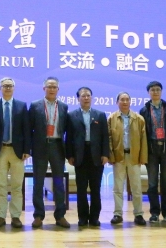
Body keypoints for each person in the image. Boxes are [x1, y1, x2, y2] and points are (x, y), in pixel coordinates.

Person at [0, 77, 31, 229]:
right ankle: (0, 216)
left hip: (17, 151)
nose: (7, 88)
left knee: (17, 186)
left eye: (10, 86)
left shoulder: (21, 106)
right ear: (0, 88)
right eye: (5, 86)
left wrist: (27, 150)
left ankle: (16, 216)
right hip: (0, 151)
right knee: (1, 185)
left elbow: (26, 129)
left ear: (14, 88)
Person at [29, 76, 70, 228]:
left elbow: (66, 129)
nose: (52, 89)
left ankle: (60, 216)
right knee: (38, 182)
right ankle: (38, 215)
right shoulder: (35, 105)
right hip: (40, 146)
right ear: (44, 88)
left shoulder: (64, 106)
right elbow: (29, 128)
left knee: (59, 182)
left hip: (57, 146)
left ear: (58, 89)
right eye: (49, 86)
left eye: (54, 87)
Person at [65, 87, 109, 227]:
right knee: (81, 189)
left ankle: (94, 217)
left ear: (92, 97)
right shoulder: (71, 115)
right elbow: (69, 137)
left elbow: (105, 136)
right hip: (80, 156)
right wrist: (69, 155)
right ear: (78, 98)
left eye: (88, 95)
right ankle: (83, 217)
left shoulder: (100, 115)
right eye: (83, 96)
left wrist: (105, 154)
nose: (86, 98)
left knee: (95, 189)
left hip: (96, 156)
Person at [140, 80, 166, 224]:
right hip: (151, 150)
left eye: (157, 89)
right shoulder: (144, 110)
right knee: (152, 184)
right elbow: (142, 134)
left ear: (161, 92)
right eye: (152, 90)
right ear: (148, 92)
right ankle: (154, 213)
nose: (155, 92)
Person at [108, 91, 147, 226]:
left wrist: (143, 157)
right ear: (117, 102)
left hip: (134, 157)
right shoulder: (112, 118)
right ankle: (118, 214)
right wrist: (111, 156)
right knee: (118, 187)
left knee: (136, 187)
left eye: (127, 100)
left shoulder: (139, 118)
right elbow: (109, 139)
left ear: (130, 102)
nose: (124, 102)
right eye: (122, 100)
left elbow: (143, 139)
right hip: (118, 157)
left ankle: (139, 214)